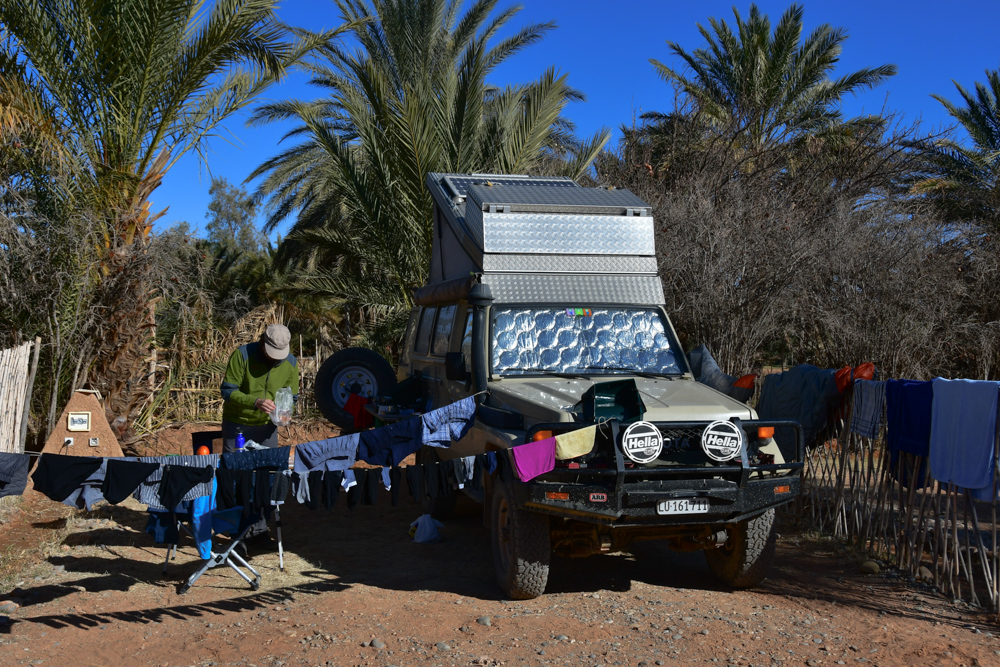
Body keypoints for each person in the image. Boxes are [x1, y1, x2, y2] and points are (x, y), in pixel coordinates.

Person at [220, 324, 299, 453]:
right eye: (272, 352)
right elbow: (228, 391)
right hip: (237, 425)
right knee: (234, 470)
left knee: (268, 469)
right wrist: (255, 402)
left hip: (268, 429)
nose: (275, 358)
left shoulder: (291, 363)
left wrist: (286, 412)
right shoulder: (242, 355)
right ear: (262, 343)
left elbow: (292, 397)